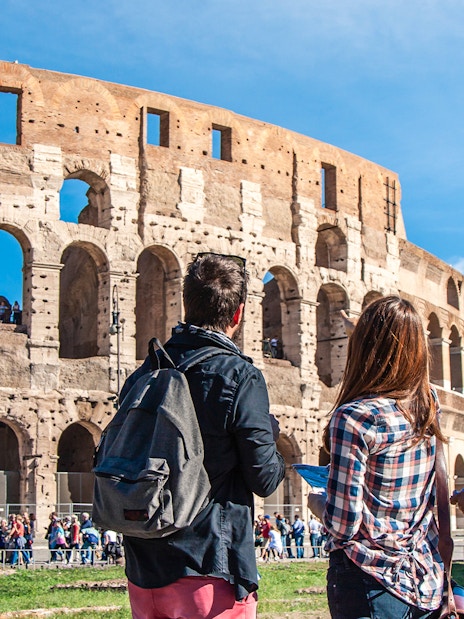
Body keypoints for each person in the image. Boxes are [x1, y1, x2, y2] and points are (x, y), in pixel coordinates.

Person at [120, 252, 285, 619]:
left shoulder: (146, 371)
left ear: (186, 303)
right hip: (208, 565)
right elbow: (265, 478)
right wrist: (270, 439)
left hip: (143, 567)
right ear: (238, 314)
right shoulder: (240, 376)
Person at [308, 296, 445, 618]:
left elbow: (344, 526)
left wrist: (317, 504)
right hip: (422, 574)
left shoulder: (354, 417)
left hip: (368, 577)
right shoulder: (428, 404)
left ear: (363, 348)